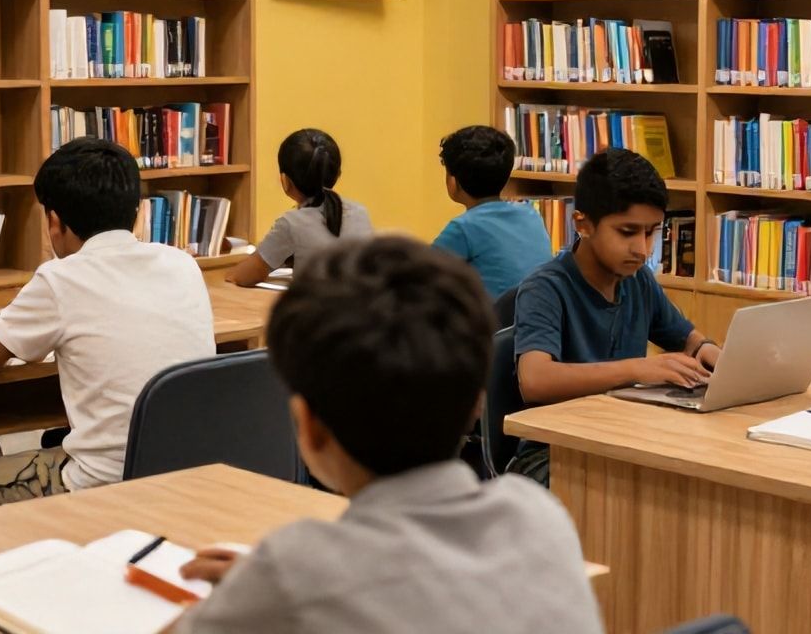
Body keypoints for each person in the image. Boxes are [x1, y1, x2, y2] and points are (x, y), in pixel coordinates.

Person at [174, 236, 602, 634]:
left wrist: (259, 594)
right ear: (478, 404)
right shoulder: (540, 518)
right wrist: (267, 591)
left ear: (308, 425)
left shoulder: (295, 572)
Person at [0, 138, 214, 507]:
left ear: (54, 222)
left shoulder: (60, 278)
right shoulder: (182, 263)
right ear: (138, 213)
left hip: (108, 483)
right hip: (190, 471)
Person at [507, 148, 716, 486]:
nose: (643, 250)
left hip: (622, 440)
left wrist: (713, 354)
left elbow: (688, 340)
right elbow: (535, 380)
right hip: (554, 453)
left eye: (651, 232)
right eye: (627, 232)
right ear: (583, 224)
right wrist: (637, 369)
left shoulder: (638, 280)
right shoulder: (545, 288)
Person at [228, 129, 370, 287]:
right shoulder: (360, 212)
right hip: (361, 301)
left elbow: (244, 276)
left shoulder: (291, 222)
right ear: (338, 174)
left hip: (315, 302)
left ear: (285, 180)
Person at [432, 125, 553, 301]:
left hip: (493, 318)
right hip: (537, 315)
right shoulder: (531, 215)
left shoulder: (464, 228)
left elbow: (418, 277)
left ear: (453, 180)